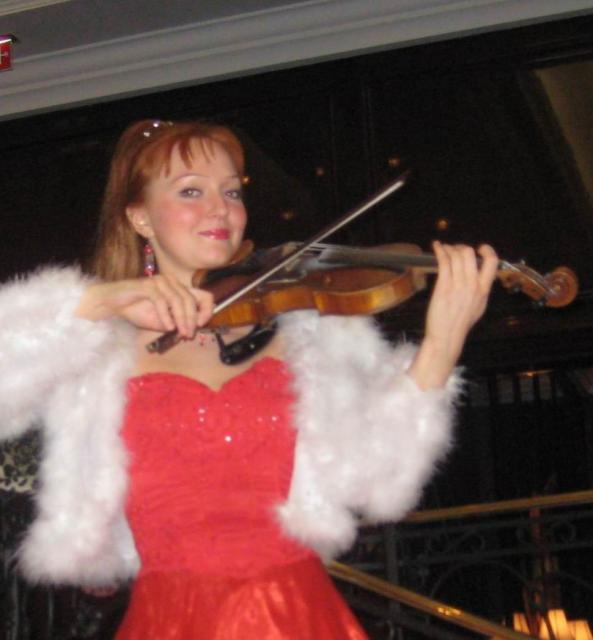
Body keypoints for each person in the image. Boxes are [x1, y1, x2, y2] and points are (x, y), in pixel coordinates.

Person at [0, 119, 498, 639]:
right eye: (191, 191)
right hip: (171, 619)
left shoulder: (310, 333)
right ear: (140, 217)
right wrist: (98, 301)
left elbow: (378, 481)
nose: (220, 209)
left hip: (297, 615)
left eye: (232, 192)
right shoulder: (97, 348)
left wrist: (442, 346)